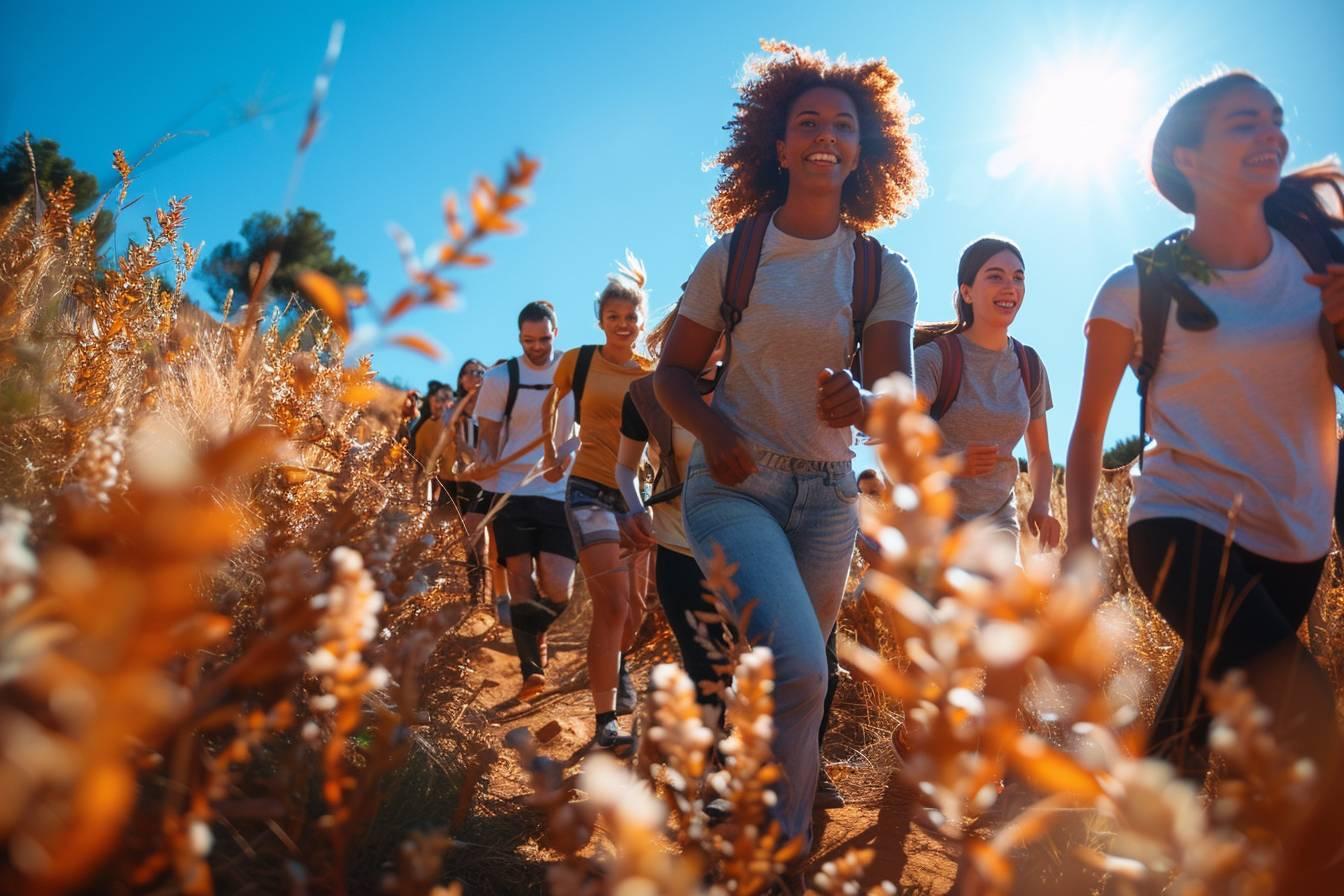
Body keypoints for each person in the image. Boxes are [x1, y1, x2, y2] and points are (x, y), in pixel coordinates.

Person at [653, 40, 923, 850]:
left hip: (829, 498)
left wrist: (865, 400)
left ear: (861, 150)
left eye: (843, 125)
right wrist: (717, 431)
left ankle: (778, 843)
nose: (825, 134)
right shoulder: (734, 255)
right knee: (799, 668)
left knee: (806, 679)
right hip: (734, 488)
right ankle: (772, 848)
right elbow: (669, 376)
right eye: (807, 121)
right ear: (778, 144)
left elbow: (896, 406)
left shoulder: (881, 272)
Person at [1065, 71, 1344, 785]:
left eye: (1275, 119)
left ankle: (1145, 850)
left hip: (1294, 534)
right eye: (1243, 121)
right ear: (1186, 158)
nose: (1271, 133)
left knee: (1194, 718)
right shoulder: (1141, 286)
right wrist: (1076, 535)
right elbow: (1089, 426)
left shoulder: (1320, 265)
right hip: (1179, 521)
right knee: (1302, 705)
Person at [544, 255, 655, 755]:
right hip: (589, 487)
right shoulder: (579, 360)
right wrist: (552, 448)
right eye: (614, 317)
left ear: (641, 321)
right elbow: (552, 404)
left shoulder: (652, 374)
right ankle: (605, 722)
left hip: (634, 497)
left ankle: (617, 664)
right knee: (611, 605)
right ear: (601, 321)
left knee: (634, 610)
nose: (623, 325)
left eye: (631, 317)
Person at [913, 237, 1060, 553]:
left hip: (997, 520)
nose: (1010, 287)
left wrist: (1042, 503)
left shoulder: (1030, 364)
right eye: (995, 276)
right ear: (966, 291)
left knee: (1002, 598)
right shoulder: (934, 359)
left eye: (1018, 278)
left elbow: (1040, 454)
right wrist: (951, 466)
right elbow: (902, 449)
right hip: (933, 518)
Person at [474, 302, 578, 699]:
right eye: (528, 340)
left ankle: (535, 628)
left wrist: (567, 453)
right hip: (512, 490)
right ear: (519, 337)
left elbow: (592, 421)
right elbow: (488, 433)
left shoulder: (573, 372)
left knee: (557, 587)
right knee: (519, 576)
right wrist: (485, 456)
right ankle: (531, 671)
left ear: (556, 332)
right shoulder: (501, 377)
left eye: (545, 339)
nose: (537, 347)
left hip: (557, 489)